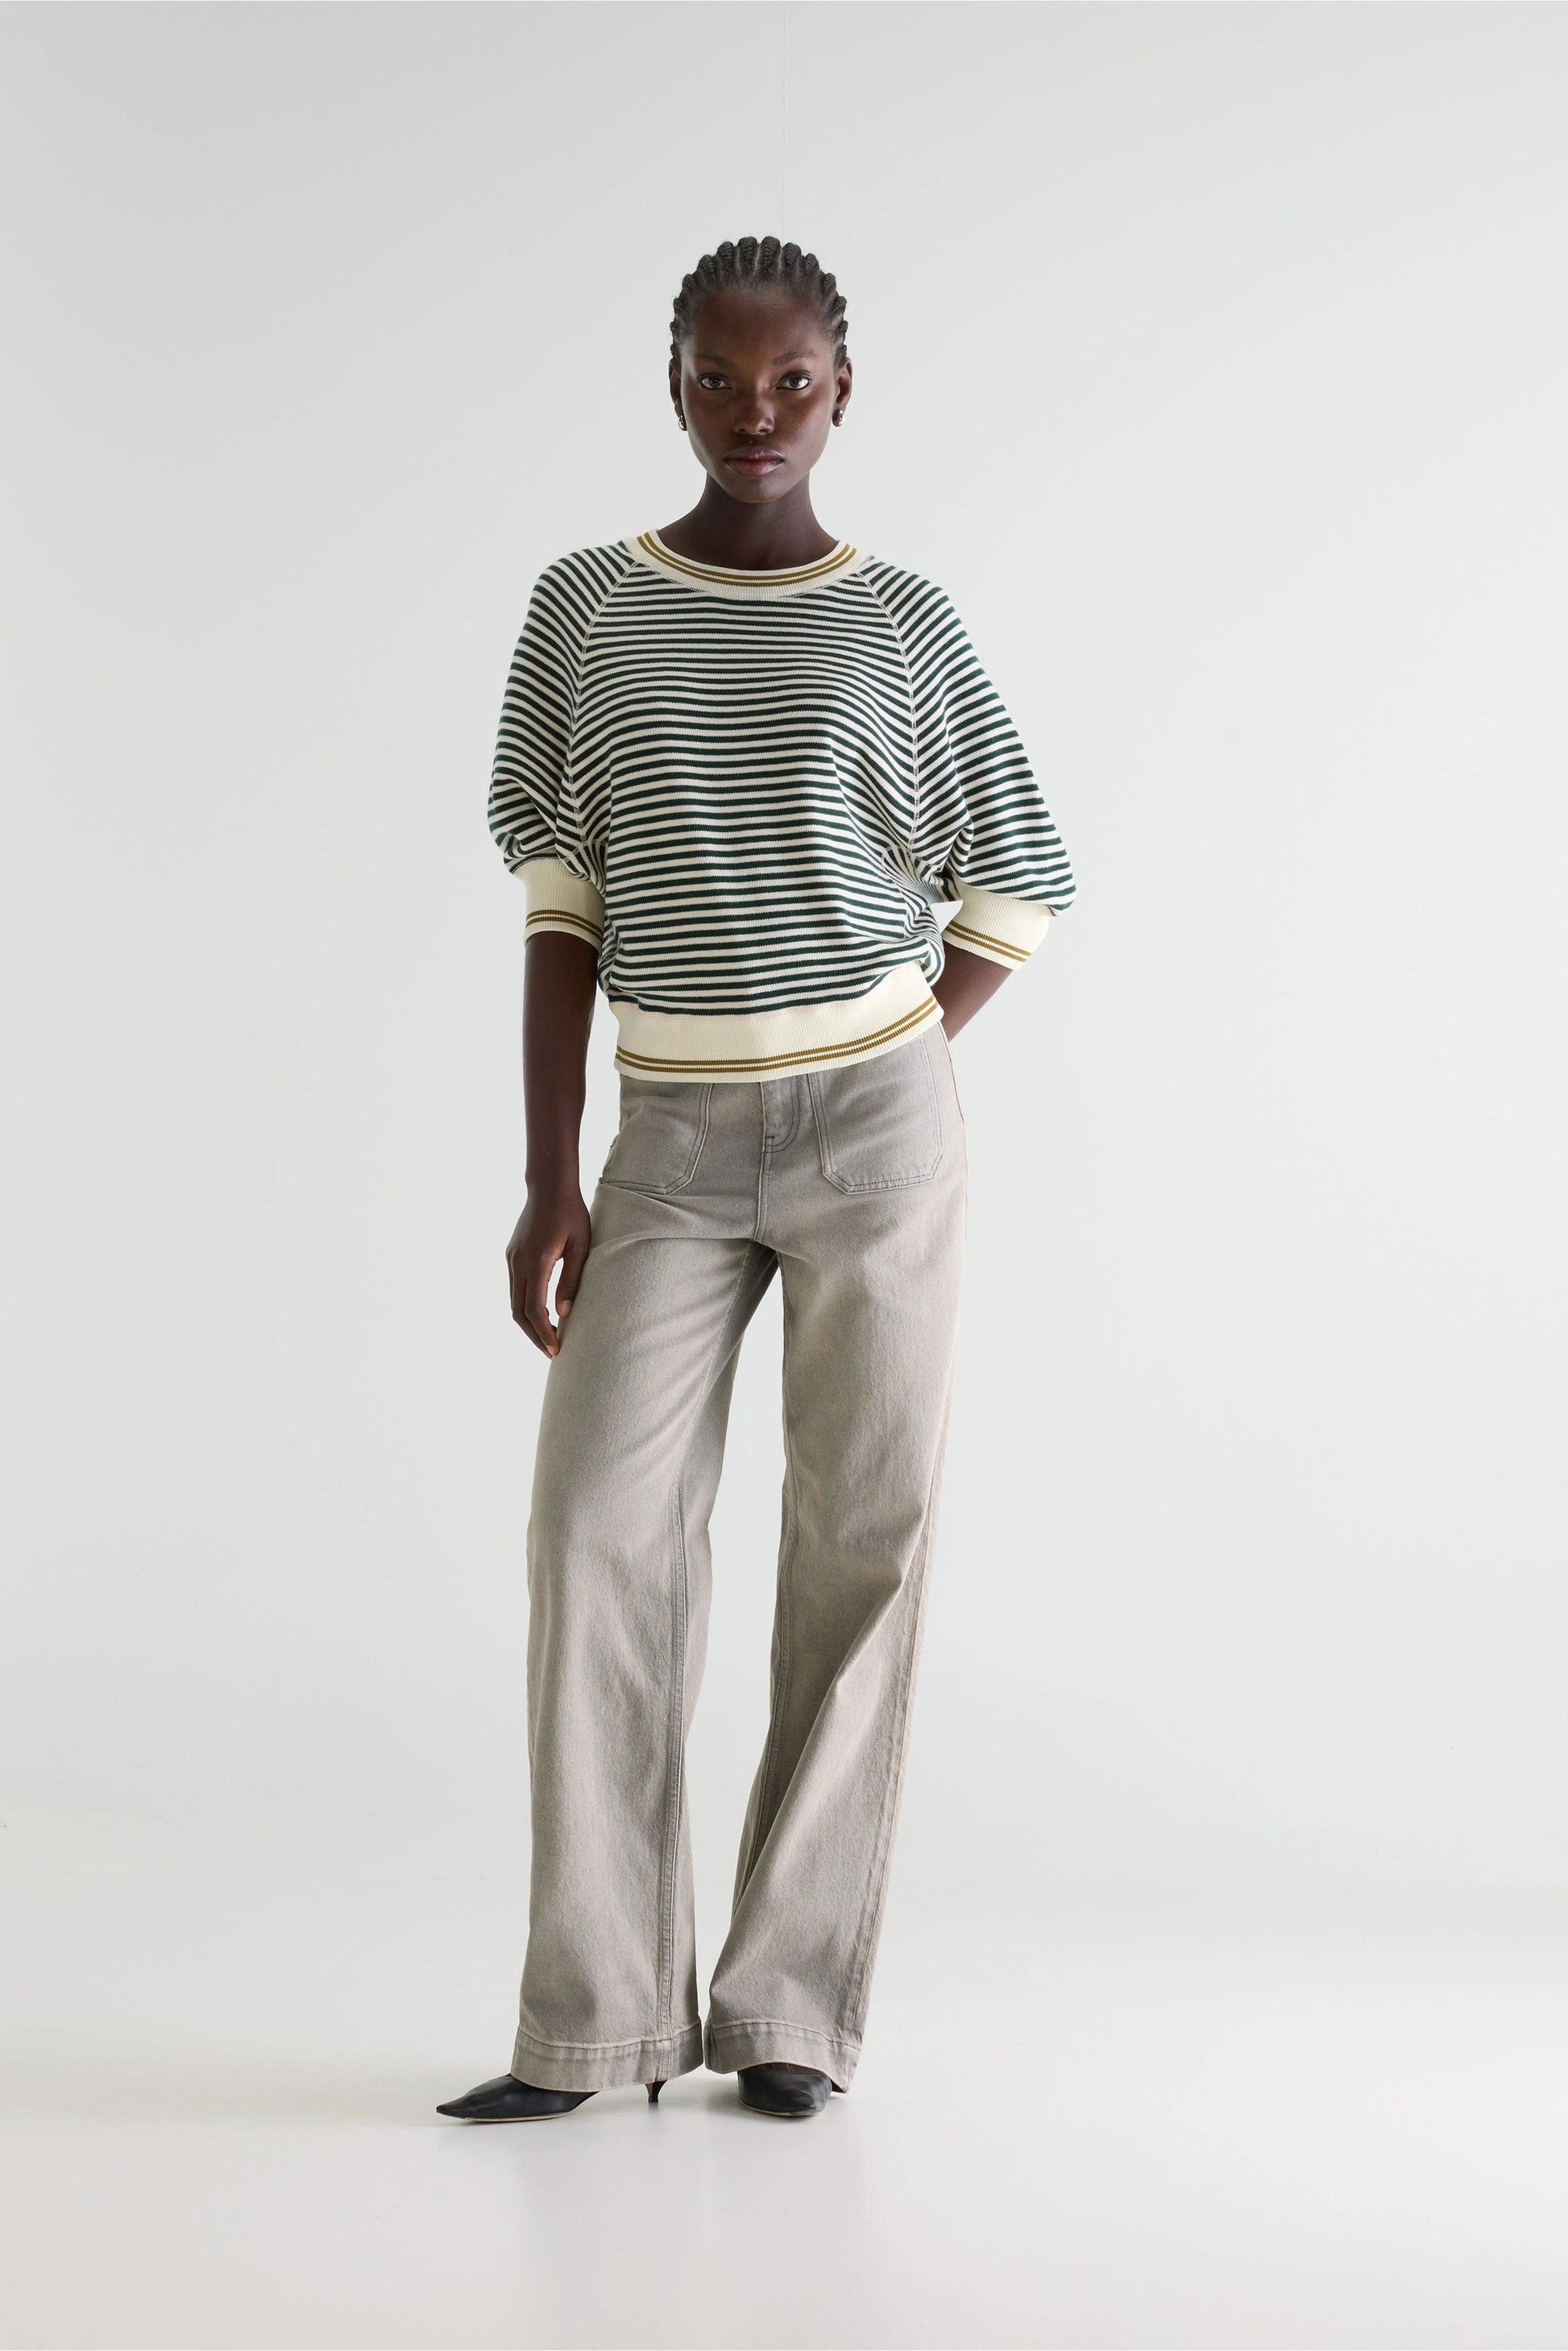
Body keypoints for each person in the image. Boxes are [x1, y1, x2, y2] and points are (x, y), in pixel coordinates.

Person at [438, 234, 1076, 2125]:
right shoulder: (587, 610)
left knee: (860, 1544)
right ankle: (595, 2022)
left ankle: (786, 2008)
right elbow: (561, 901)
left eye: (789, 378)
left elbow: (1019, 879)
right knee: (594, 1534)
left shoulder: (903, 623)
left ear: (841, 388)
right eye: (719, 378)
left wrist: (889, 1054)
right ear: (673, 385)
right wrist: (549, 1173)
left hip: (878, 1129)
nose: (753, 413)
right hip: (664, 1142)